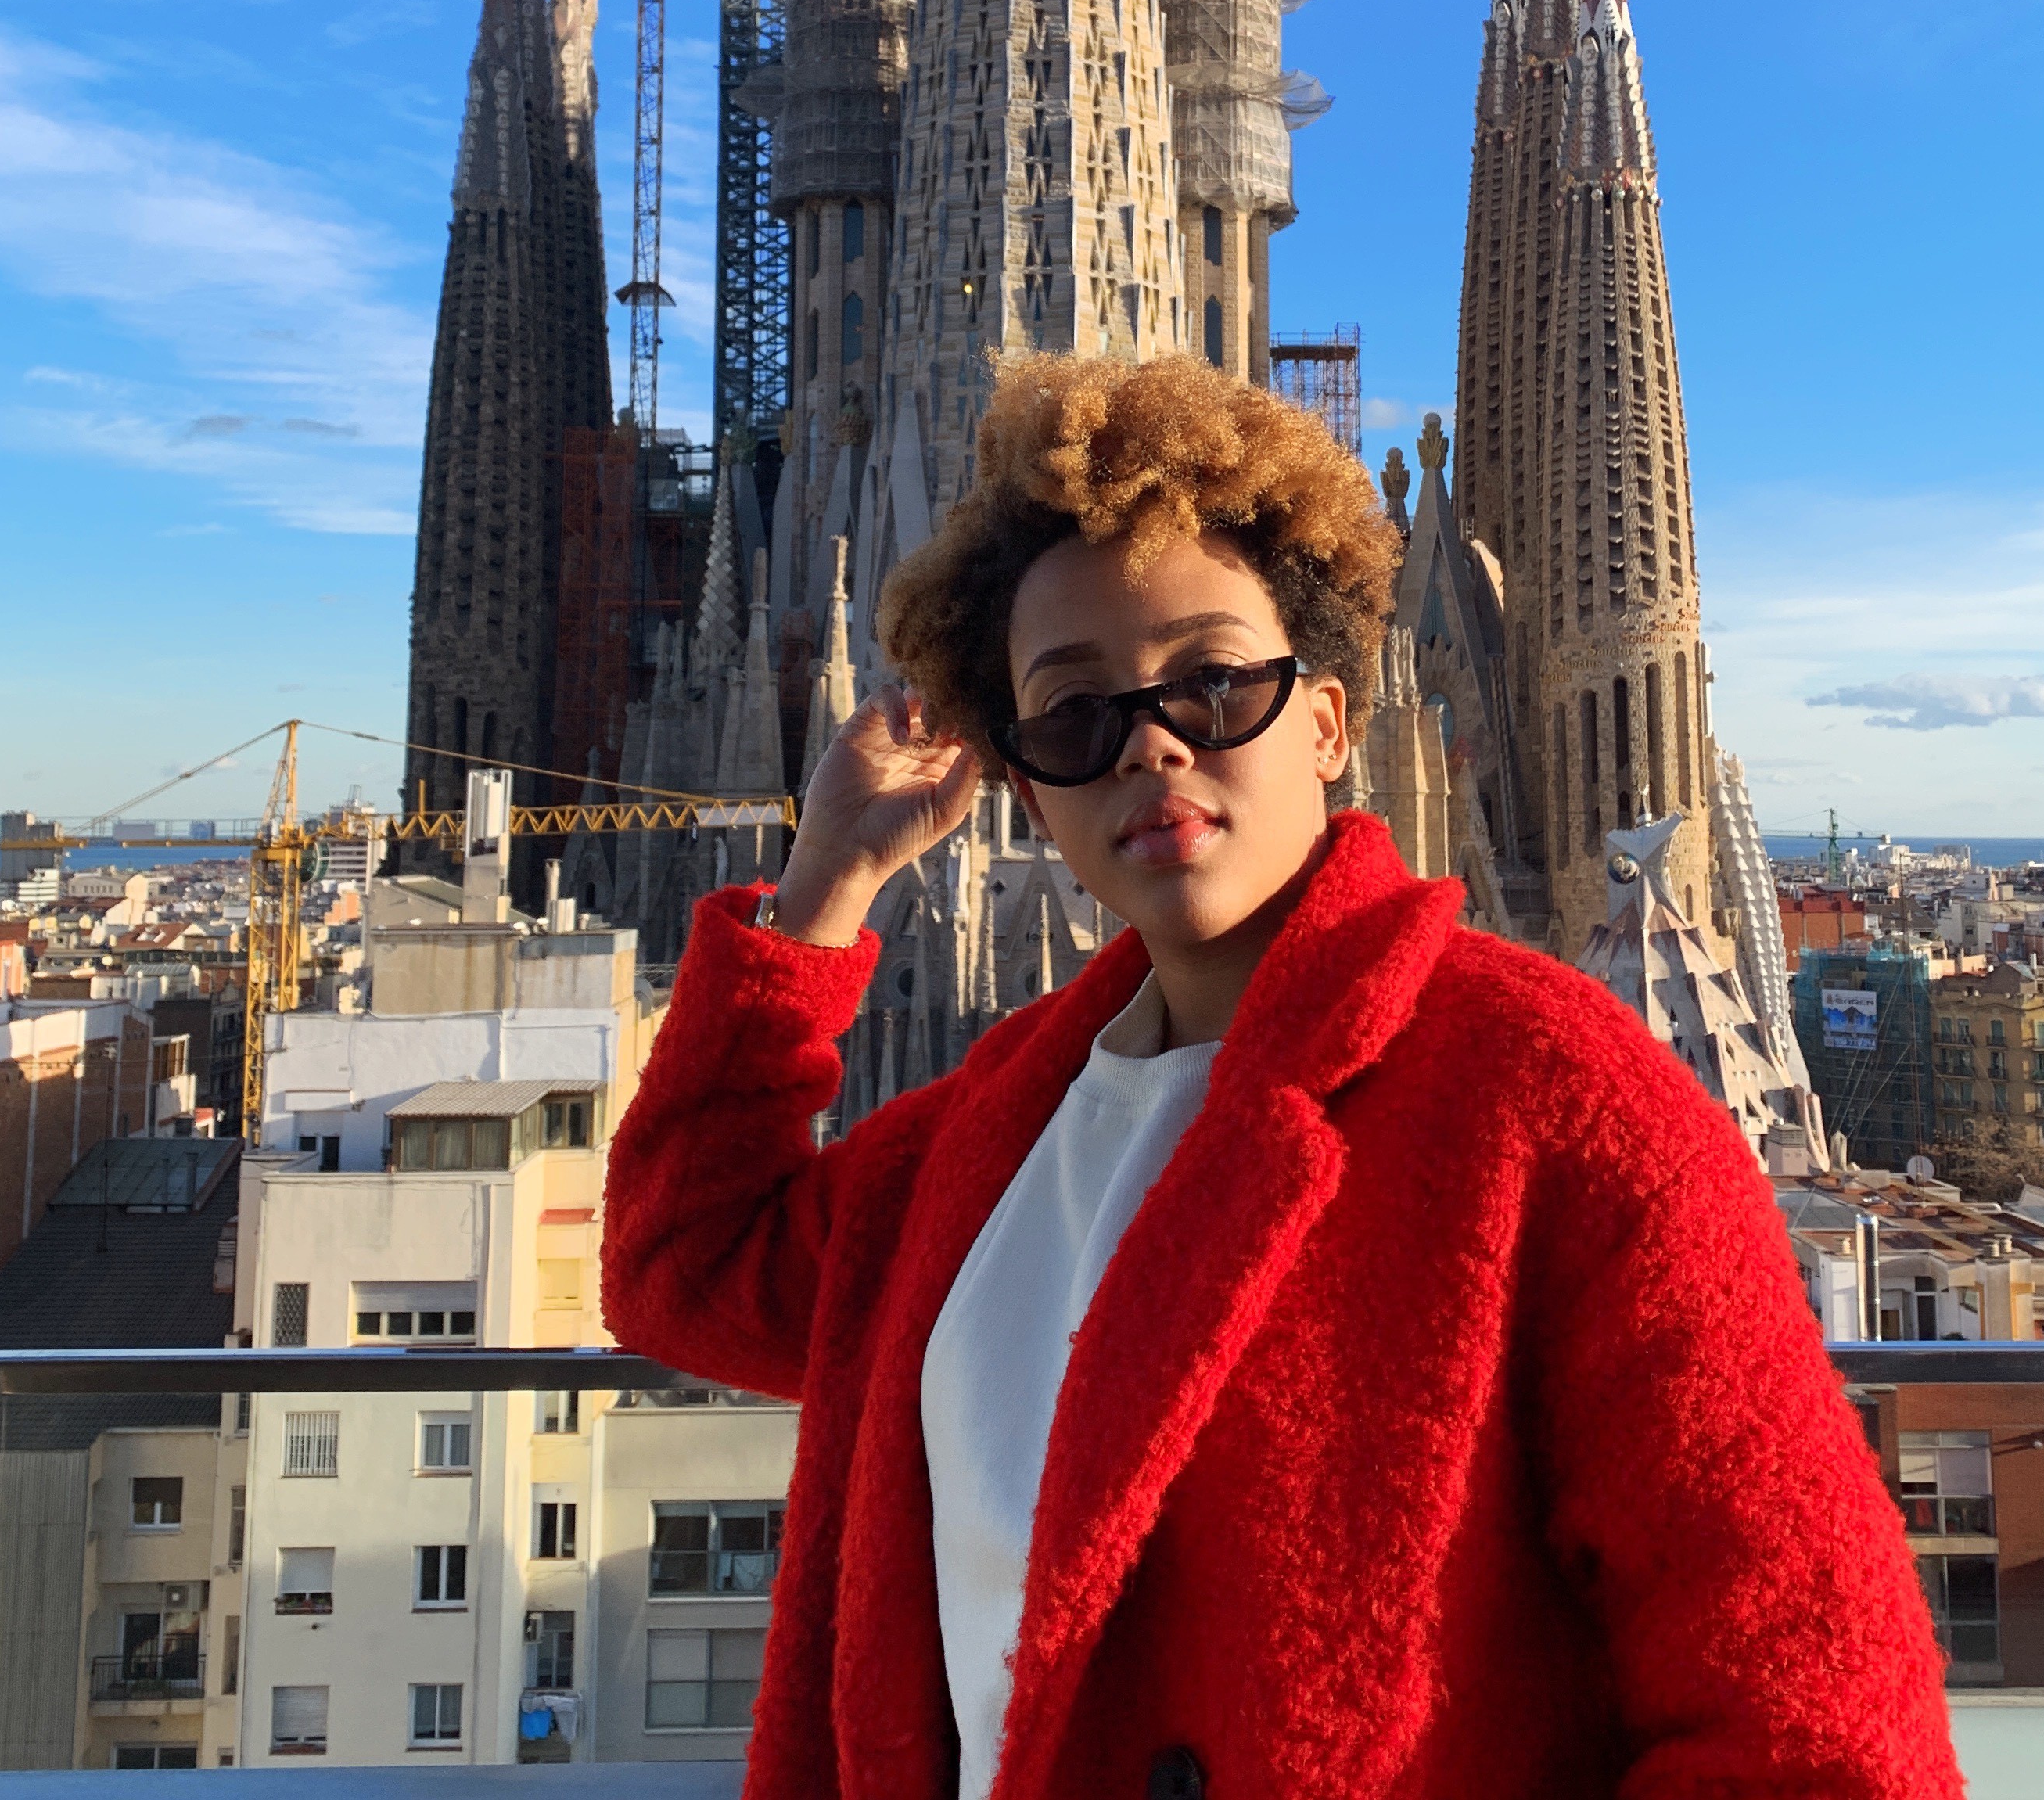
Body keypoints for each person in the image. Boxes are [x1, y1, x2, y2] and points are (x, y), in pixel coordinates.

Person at [604, 354, 1959, 1800]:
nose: (1153, 746)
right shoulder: (993, 1132)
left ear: (1327, 716)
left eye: (1212, 682)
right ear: (1019, 778)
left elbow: (1821, 1730)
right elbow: (689, 1264)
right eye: (1073, 716)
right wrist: (825, 883)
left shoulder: (1552, 1095)